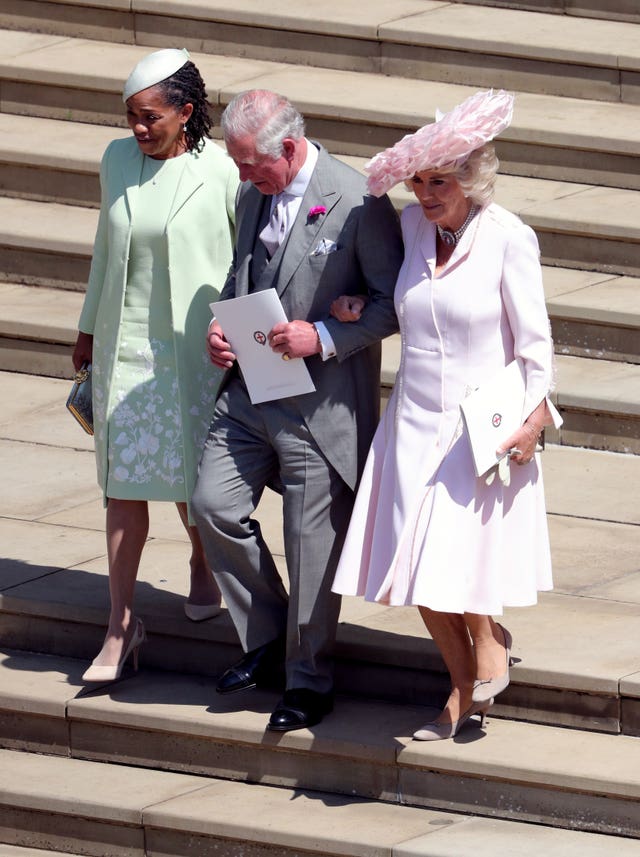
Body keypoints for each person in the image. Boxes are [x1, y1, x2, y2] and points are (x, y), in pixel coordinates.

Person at [331, 89, 562, 740]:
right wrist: (357, 307)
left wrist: (532, 420)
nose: (426, 194)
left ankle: (488, 647)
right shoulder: (408, 229)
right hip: (410, 420)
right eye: (419, 181)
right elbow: (396, 300)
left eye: (440, 180)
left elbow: (536, 345)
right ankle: (460, 685)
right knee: (414, 565)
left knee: (457, 556)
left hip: (479, 424)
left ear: (470, 177)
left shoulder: (509, 237)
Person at [191, 89, 403, 732]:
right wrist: (219, 327)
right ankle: (269, 640)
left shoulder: (360, 198)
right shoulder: (251, 190)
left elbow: (394, 302)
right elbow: (240, 276)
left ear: (288, 147)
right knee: (212, 505)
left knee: (312, 546)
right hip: (251, 392)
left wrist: (328, 338)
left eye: (251, 162)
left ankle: (308, 680)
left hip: (321, 405)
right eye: (237, 163)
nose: (242, 174)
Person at [72, 48, 239, 682]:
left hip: (192, 348)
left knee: (192, 476)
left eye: (150, 118)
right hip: (125, 344)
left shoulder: (221, 170)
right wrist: (87, 327)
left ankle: (202, 561)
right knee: (123, 482)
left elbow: (240, 258)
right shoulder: (116, 160)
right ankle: (120, 624)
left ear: (185, 112)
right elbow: (103, 244)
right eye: (131, 118)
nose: (138, 130)